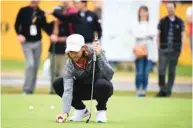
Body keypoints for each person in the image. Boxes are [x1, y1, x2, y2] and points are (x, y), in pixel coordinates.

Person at [53, 34, 114, 123]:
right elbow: (68, 90)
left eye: (76, 51)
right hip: (82, 89)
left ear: (83, 48)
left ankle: (101, 110)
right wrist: (65, 112)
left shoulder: (97, 52)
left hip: (98, 88)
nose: (73, 55)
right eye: (71, 52)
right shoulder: (69, 64)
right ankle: (81, 110)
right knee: (58, 83)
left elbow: (109, 75)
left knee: (103, 84)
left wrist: (99, 56)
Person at [14, 0, 47, 94]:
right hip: (26, 43)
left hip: (37, 42)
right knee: (30, 65)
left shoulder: (41, 13)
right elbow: (17, 24)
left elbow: (45, 27)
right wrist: (19, 34)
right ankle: (26, 89)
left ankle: (31, 90)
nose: (33, 1)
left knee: (36, 66)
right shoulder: (23, 10)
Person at [156, 2, 185, 97]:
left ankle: (168, 91)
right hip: (163, 48)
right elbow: (158, 34)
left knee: (172, 71)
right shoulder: (162, 21)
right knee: (161, 70)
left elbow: (183, 35)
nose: (169, 9)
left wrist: (181, 48)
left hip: (175, 49)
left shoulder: (180, 21)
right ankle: (162, 89)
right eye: (168, 7)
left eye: (171, 7)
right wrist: (158, 47)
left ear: (174, 8)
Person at [44, 6, 71, 94]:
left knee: (62, 73)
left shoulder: (67, 24)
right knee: (53, 72)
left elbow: (69, 37)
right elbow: (52, 34)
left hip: (63, 52)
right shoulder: (53, 24)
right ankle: (52, 90)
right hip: (53, 51)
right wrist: (56, 24)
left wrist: (58, 39)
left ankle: (61, 90)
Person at [132, 6, 156, 97]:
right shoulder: (136, 24)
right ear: (139, 13)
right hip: (139, 47)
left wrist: (146, 37)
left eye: (145, 12)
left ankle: (144, 89)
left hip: (149, 48)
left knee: (146, 72)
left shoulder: (151, 24)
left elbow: (152, 34)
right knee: (139, 71)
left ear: (147, 13)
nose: (143, 14)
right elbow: (136, 35)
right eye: (141, 12)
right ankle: (138, 89)